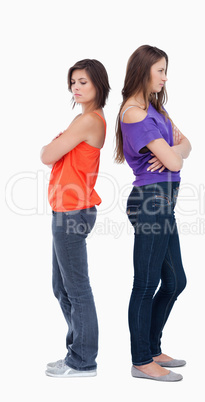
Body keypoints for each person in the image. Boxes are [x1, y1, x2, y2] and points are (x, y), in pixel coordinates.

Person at [115, 45, 192, 382]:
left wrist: (173, 151)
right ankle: (141, 360)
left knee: (176, 281)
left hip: (163, 201)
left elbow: (186, 145)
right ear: (144, 70)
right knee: (146, 283)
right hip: (150, 201)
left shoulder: (155, 108)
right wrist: (174, 155)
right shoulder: (133, 112)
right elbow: (177, 160)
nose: (164, 77)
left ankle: (152, 347)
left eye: (165, 70)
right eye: (160, 70)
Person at [41, 59, 110, 378]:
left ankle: (83, 360)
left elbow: (46, 155)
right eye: (73, 82)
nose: (76, 87)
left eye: (83, 81)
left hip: (73, 211)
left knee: (76, 288)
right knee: (62, 286)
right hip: (66, 209)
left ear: (98, 84)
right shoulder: (82, 119)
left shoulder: (89, 121)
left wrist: (53, 144)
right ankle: (76, 353)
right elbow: (53, 152)